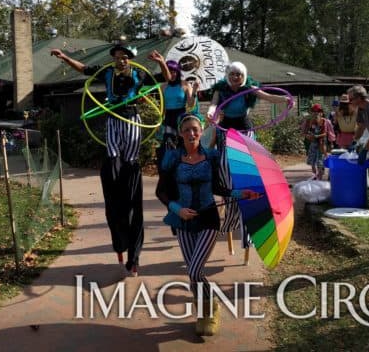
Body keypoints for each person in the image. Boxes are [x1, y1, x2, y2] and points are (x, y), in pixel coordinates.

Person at [50, 44, 167, 276]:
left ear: (130, 59)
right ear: (113, 58)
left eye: (125, 57)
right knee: (113, 161)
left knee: (130, 164)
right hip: (113, 117)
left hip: (132, 119)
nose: (121, 60)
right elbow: (84, 69)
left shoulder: (139, 74)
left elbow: (163, 79)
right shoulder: (106, 72)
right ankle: (119, 229)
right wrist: (65, 57)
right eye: (117, 57)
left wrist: (162, 63)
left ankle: (133, 256)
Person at [155, 113, 259, 336]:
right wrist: (177, 210)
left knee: (194, 270)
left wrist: (243, 193)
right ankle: (203, 313)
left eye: (195, 129)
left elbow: (221, 189)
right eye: (186, 130)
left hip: (209, 219)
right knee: (195, 273)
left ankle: (211, 308)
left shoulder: (211, 157)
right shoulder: (172, 159)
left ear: (201, 132)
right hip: (183, 221)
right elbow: (160, 191)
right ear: (181, 134)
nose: (191, 134)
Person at [205, 61, 292, 244]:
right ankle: (230, 191)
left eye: (239, 74)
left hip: (244, 130)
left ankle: (252, 193)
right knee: (224, 164)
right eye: (233, 74)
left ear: (244, 75)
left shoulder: (250, 88)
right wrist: (211, 113)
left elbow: (268, 97)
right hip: (226, 129)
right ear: (228, 75)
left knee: (248, 165)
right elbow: (214, 106)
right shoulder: (220, 90)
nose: (236, 77)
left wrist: (285, 100)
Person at [147, 51, 198, 157]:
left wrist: (194, 91)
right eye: (170, 71)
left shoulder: (185, 84)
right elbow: (163, 107)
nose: (172, 74)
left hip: (181, 117)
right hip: (168, 118)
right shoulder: (163, 86)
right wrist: (159, 121)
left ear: (178, 72)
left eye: (174, 71)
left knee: (182, 144)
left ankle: (183, 166)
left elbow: (190, 104)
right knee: (167, 144)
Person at [302, 104, 328, 180]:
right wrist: (307, 136)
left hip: (321, 143)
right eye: (314, 111)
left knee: (319, 160)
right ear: (311, 112)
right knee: (312, 162)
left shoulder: (323, 121)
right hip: (312, 143)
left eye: (318, 111)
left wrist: (317, 136)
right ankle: (316, 174)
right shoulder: (308, 121)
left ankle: (320, 176)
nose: (316, 113)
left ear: (321, 112)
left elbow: (325, 133)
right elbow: (304, 132)